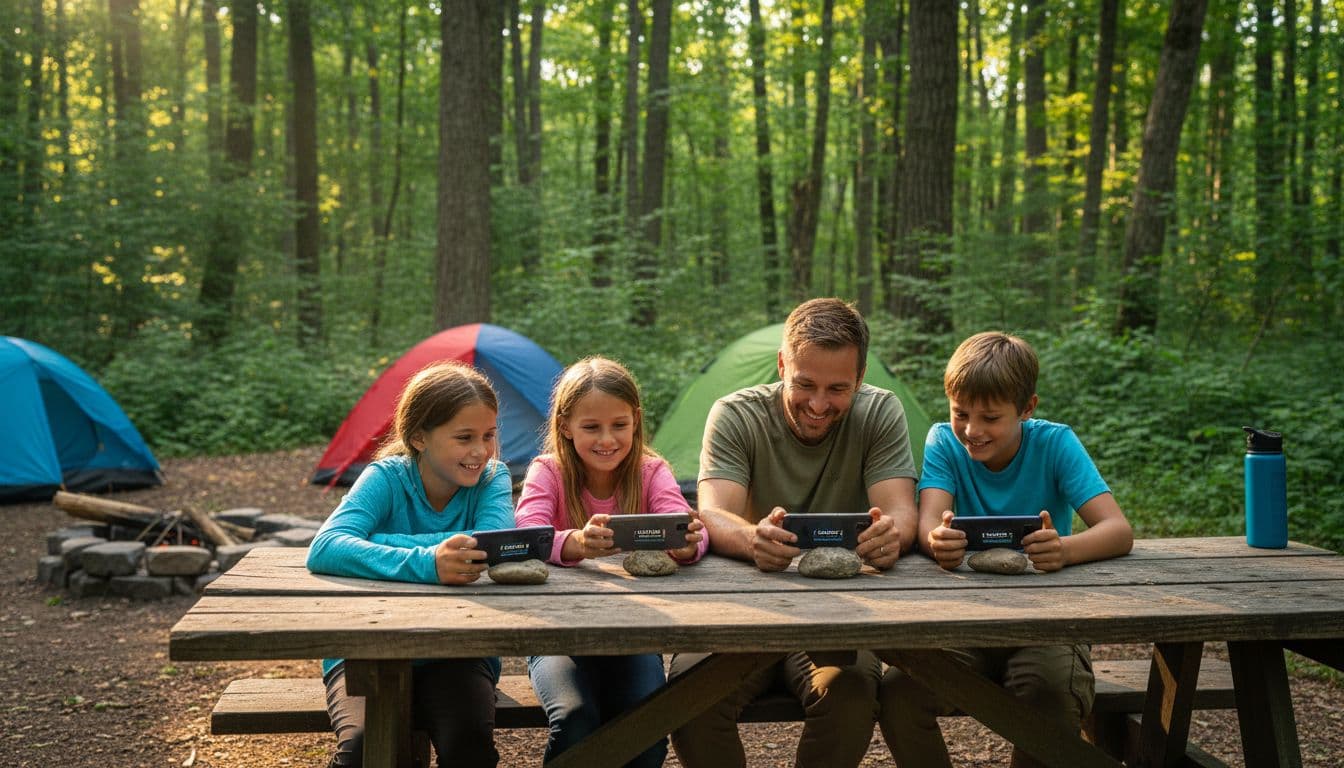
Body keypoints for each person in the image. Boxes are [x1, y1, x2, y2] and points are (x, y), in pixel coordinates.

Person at [669, 298, 919, 768]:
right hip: (743, 608)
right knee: (690, 692)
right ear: (782, 364)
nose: (819, 405)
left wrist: (892, 535)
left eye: (838, 388)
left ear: (861, 379)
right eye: (805, 384)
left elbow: (902, 512)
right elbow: (714, 514)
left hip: (842, 615)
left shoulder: (881, 412)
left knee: (850, 692)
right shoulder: (735, 415)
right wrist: (751, 539)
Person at [877, 331, 1134, 768]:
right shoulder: (944, 442)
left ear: (1027, 409)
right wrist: (938, 540)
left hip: (1046, 623)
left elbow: (1118, 530)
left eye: (990, 418)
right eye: (961, 413)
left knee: (1051, 692)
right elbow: (928, 525)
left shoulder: (1055, 444)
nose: (972, 431)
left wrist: (1065, 550)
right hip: (962, 619)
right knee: (901, 691)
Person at [307, 361, 514, 768]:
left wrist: (373, 545)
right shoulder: (385, 478)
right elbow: (326, 546)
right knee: (363, 751)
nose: (480, 451)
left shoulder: (493, 478)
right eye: (464, 437)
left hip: (460, 652)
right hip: (366, 651)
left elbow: (492, 546)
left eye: (488, 436)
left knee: (469, 747)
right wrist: (428, 562)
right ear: (419, 436)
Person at [514, 356, 707, 768]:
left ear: (635, 421)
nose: (607, 439)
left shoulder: (651, 472)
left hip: (636, 635)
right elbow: (527, 532)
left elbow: (684, 525)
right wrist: (575, 544)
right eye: (591, 427)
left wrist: (687, 544)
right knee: (575, 718)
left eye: (619, 425)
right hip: (557, 638)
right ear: (565, 426)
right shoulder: (547, 471)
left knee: (647, 724)